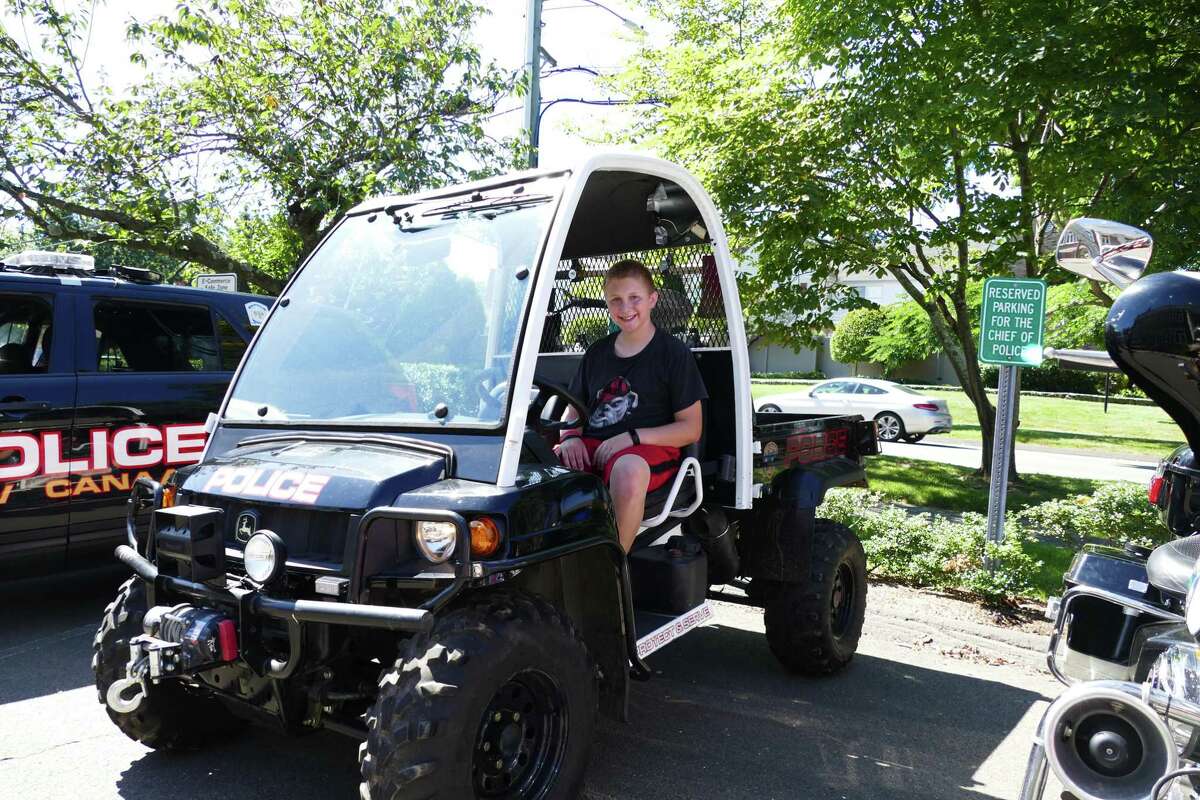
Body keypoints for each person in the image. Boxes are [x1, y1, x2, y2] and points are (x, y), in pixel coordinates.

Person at [555, 259, 707, 552]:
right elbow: (572, 411)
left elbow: (691, 428)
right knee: (533, 465)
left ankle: (611, 572)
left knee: (627, 471)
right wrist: (570, 437)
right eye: (616, 300)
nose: (625, 308)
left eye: (634, 298)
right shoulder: (597, 353)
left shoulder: (673, 354)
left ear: (652, 299)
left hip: (646, 450)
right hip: (593, 447)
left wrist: (632, 437)